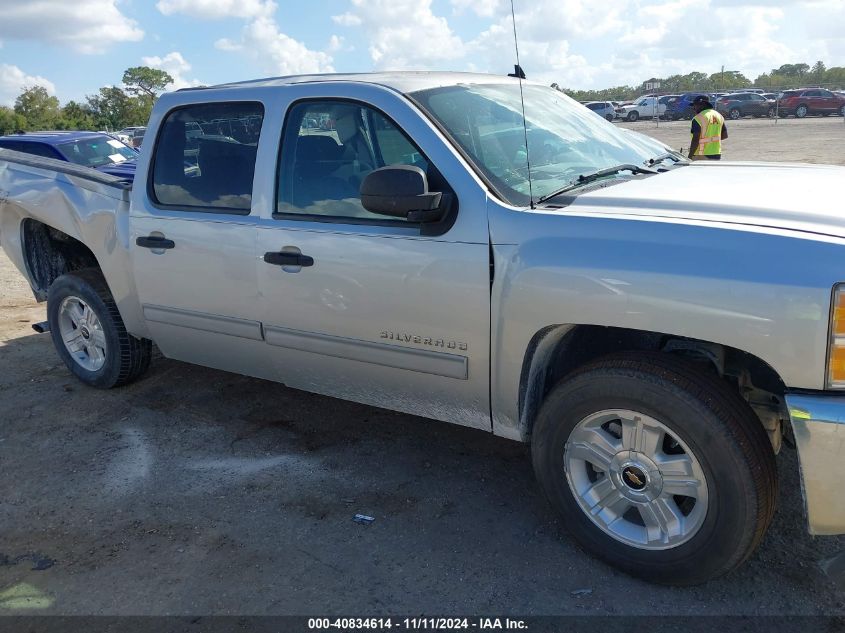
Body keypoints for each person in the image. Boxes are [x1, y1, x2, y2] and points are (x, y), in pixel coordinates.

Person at [688, 95, 728, 160]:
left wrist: (690, 156)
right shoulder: (719, 116)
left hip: (701, 154)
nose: (694, 108)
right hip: (716, 153)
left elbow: (696, 139)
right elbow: (724, 135)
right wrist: (711, 140)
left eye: (695, 105)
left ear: (702, 105)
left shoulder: (698, 118)